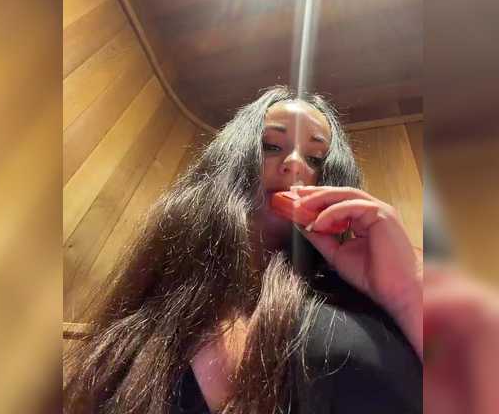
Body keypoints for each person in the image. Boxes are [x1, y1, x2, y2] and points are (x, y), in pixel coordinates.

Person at [63, 86, 422, 414]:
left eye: (316, 158)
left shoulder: (356, 302)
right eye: (271, 146)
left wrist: (407, 291)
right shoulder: (153, 313)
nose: (296, 164)